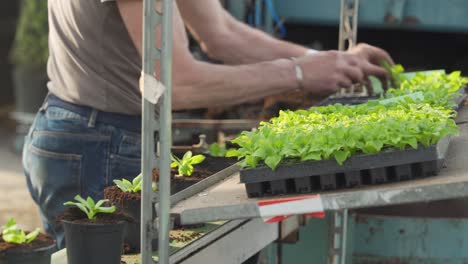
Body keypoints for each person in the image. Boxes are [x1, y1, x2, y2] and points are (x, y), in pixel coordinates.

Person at [23, 0, 394, 249]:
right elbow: (173, 84)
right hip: (96, 144)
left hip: (103, 135)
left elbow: (221, 34)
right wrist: (297, 73)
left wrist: (328, 62)